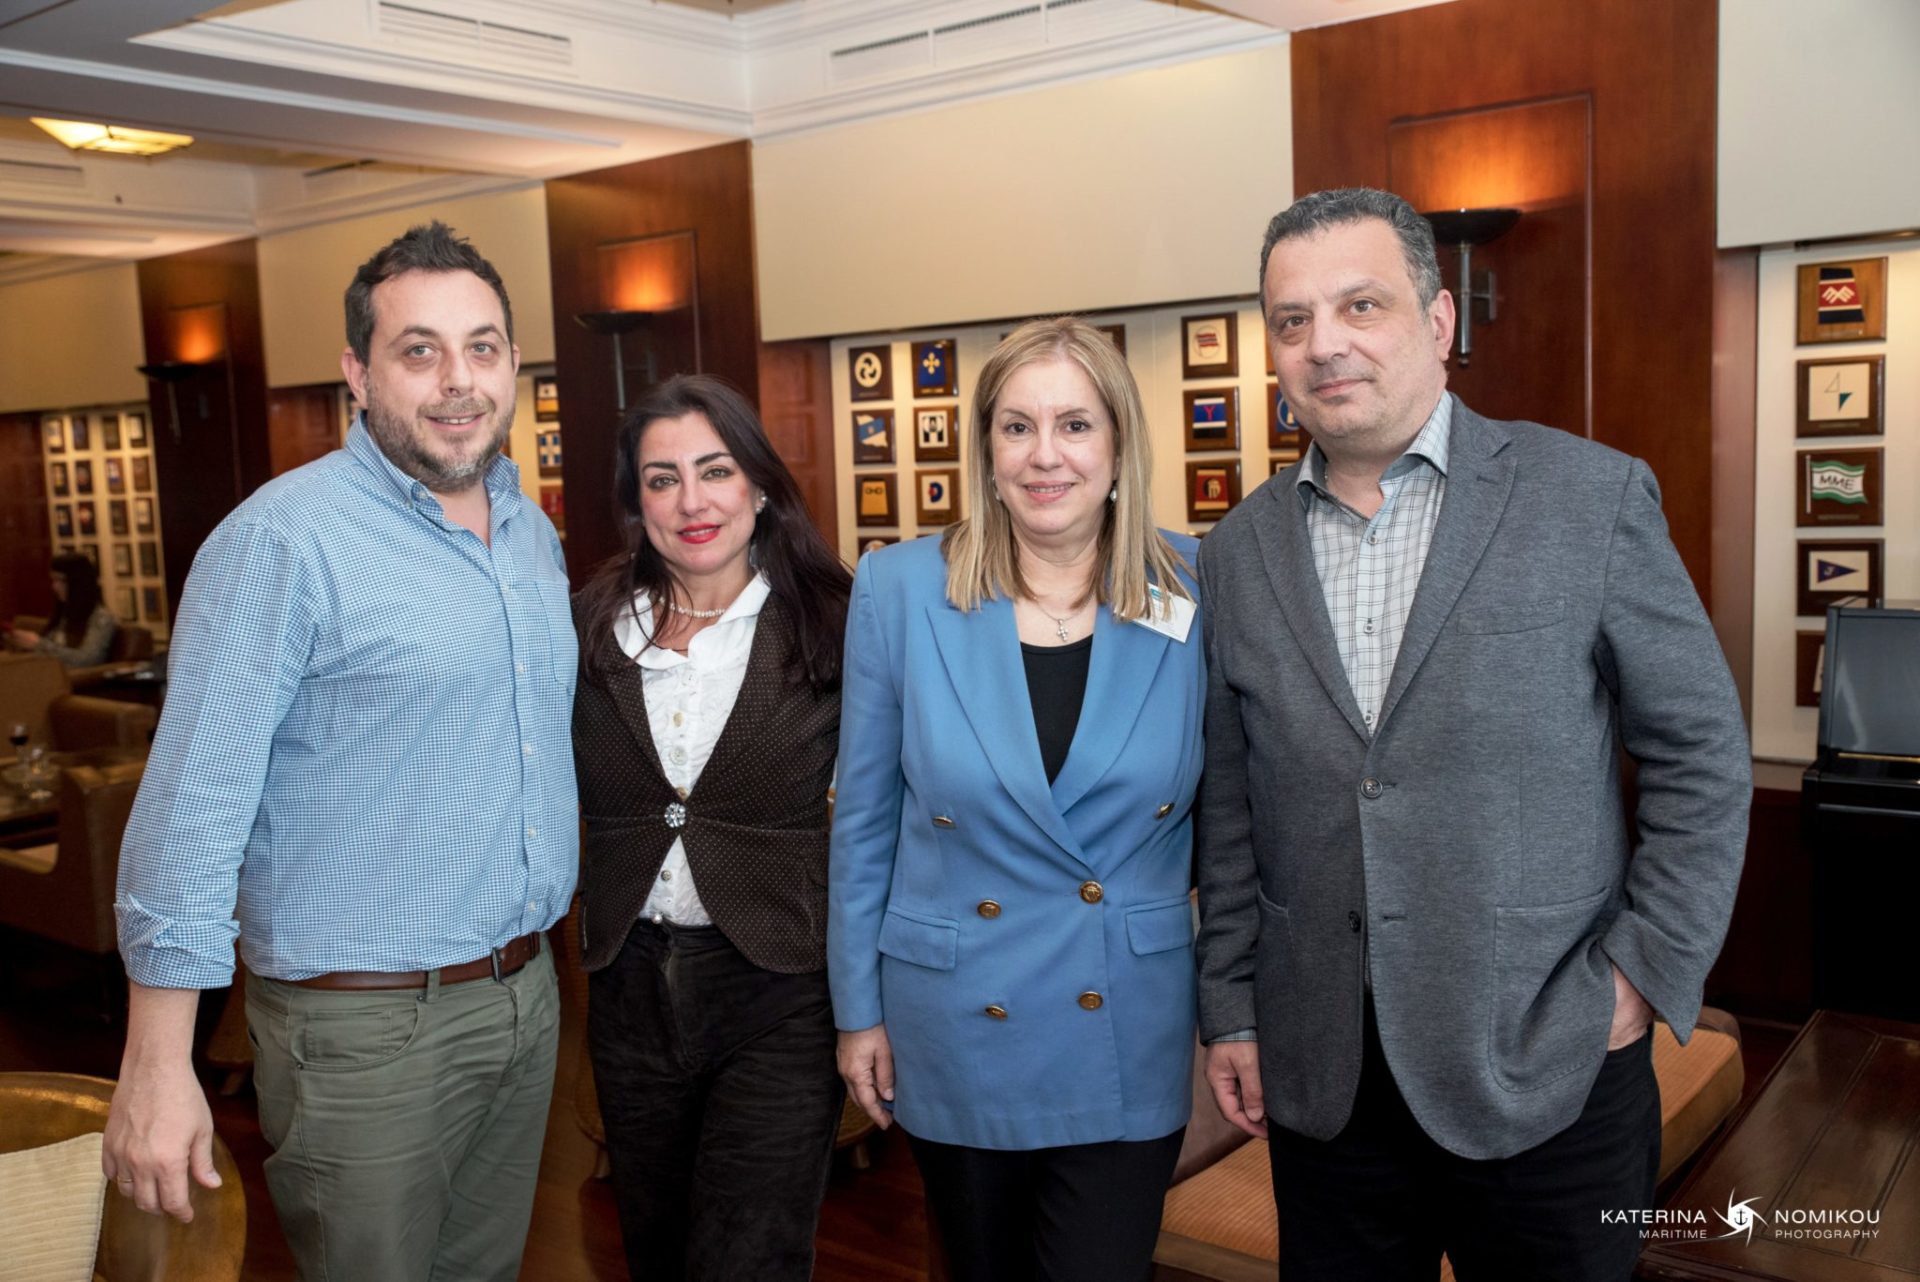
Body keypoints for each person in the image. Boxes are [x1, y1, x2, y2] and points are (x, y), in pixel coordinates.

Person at [1193, 187, 1750, 1280]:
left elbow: (1702, 754)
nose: (1324, 342)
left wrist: (1642, 973)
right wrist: (1232, 1011)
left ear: (1440, 320)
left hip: (1548, 1065)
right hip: (1326, 1081)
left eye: (1361, 305)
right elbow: (1230, 805)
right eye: (1293, 318)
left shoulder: (1588, 497)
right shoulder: (1236, 552)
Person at [103, 221, 576, 1282]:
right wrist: (159, 1063)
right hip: (364, 1033)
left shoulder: (530, 533)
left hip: (524, 994)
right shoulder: (283, 541)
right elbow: (192, 810)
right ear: (358, 374)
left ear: (512, 363)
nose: (457, 382)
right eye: (419, 351)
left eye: (482, 347)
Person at [830, 317, 1206, 1282]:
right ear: (986, 451)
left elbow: (1238, 824)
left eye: (1075, 425)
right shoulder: (901, 588)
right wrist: (857, 1011)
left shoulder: (1196, 585)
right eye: (1017, 426)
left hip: (1124, 1019)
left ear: (1118, 446)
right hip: (957, 1018)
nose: (1046, 455)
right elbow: (864, 824)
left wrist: (1240, 1014)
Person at [571, 374, 851, 1281]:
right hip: (628, 986)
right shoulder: (589, 626)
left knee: (750, 1258)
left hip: (779, 988)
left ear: (760, 485)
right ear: (637, 502)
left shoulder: (836, 622)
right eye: (663, 479)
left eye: (716, 470)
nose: (692, 501)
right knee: (653, 1249)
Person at [7, 553, 117, 666]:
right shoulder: (65, 614)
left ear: (79, 583)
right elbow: (53, 646)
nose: (54, 587)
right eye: (53, 580)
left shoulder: (101, 618)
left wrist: (39, 644)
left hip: (74, 676)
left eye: (61, 580)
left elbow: (87, 659)